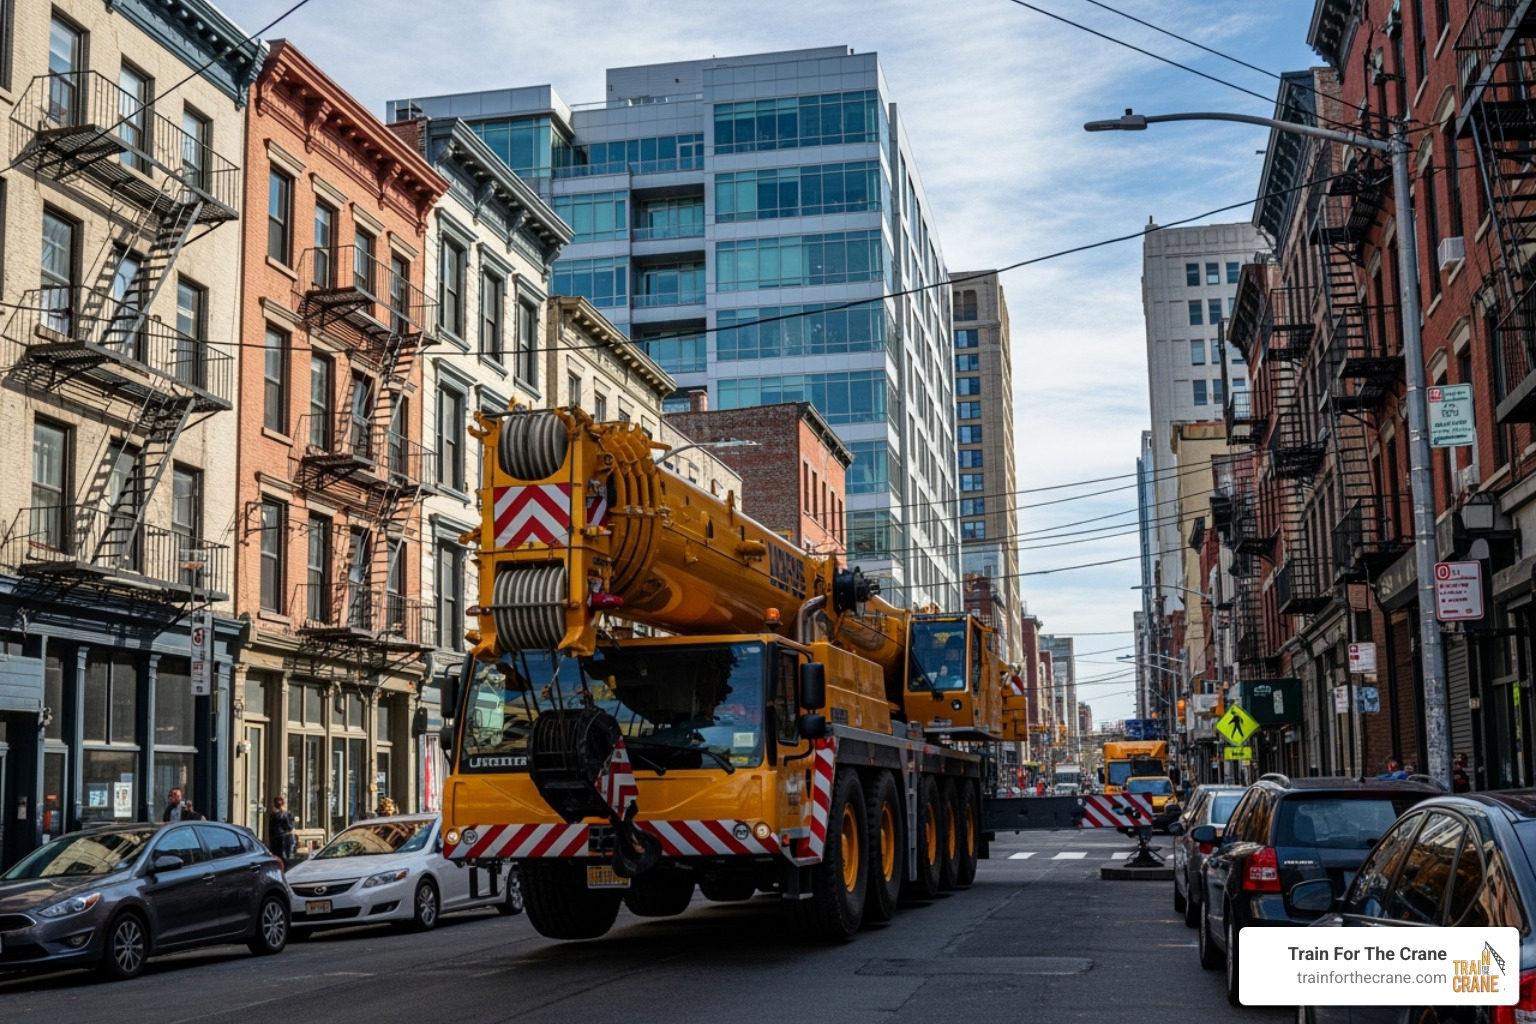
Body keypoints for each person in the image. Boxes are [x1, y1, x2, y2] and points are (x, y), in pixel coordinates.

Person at [267, 796, 296, 866]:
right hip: (284, 837)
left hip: (274, 838)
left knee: (277, 855)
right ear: (283, 804)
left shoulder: (272, 815)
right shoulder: (284, 814)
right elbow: (288, 827)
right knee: (286, 856)